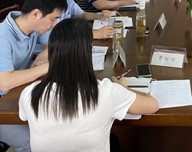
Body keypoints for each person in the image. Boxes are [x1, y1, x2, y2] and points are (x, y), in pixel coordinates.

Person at [19, 19, 159, 152]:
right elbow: (153, 105)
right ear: (86, 54)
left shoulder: (30, 93)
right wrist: (123, 88)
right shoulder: (105, 92)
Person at [0, 0, 68, 152]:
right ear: (36, 14)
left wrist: (43, 56)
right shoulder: (0, 38)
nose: (54, 24)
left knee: (58, 123)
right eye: (53, 19)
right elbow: (5, 82)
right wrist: (47, 66)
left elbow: (52, 43)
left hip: (11, 97)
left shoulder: (30, 27)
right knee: (33, 142)